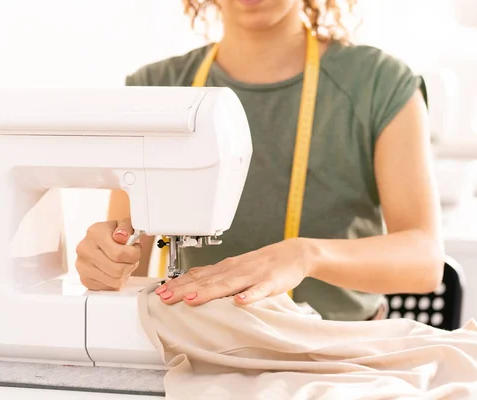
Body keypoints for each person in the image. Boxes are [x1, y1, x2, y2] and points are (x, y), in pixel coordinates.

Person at [74, 0, 445, 321]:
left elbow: (424, 259)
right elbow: (129, 251)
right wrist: (107, 260)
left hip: (338, 354)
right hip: (203, 348)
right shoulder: (155, 91)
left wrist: (306, 255)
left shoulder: (380, 83)